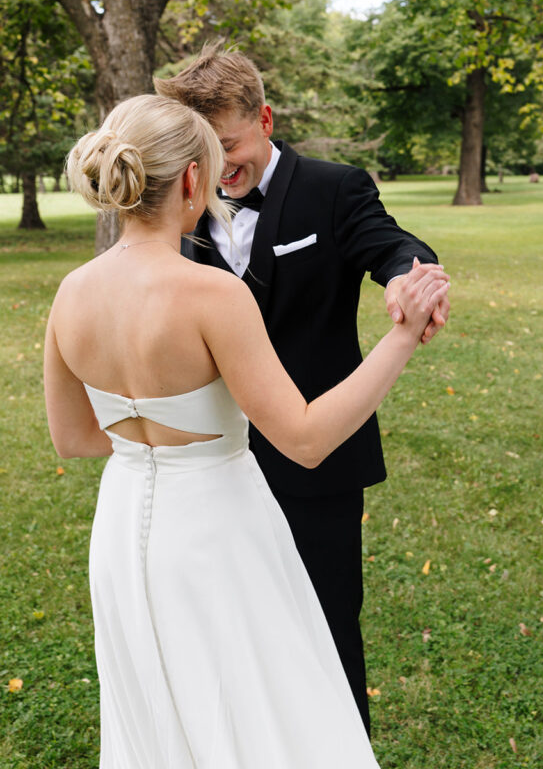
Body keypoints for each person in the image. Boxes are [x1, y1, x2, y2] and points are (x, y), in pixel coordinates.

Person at [43, 94, 450, 769]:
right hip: (217, 529)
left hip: (120, 530)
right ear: (192, 181)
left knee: (159, 706)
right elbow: (306, 438)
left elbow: (73, 437)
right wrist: (402, 338)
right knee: (264, 703)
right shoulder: (210, 294)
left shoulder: (71, 291)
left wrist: (154, 444)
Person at [155, 45, 450, 730]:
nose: (215, 168)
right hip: (210, 467)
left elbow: (391, 245)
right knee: (229, 636)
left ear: (263, 117)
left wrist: (412, 277)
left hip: (316, 465)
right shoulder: (182, 197)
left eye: (227, 144)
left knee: (325, 629)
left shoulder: (333, 187)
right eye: (200, 151)